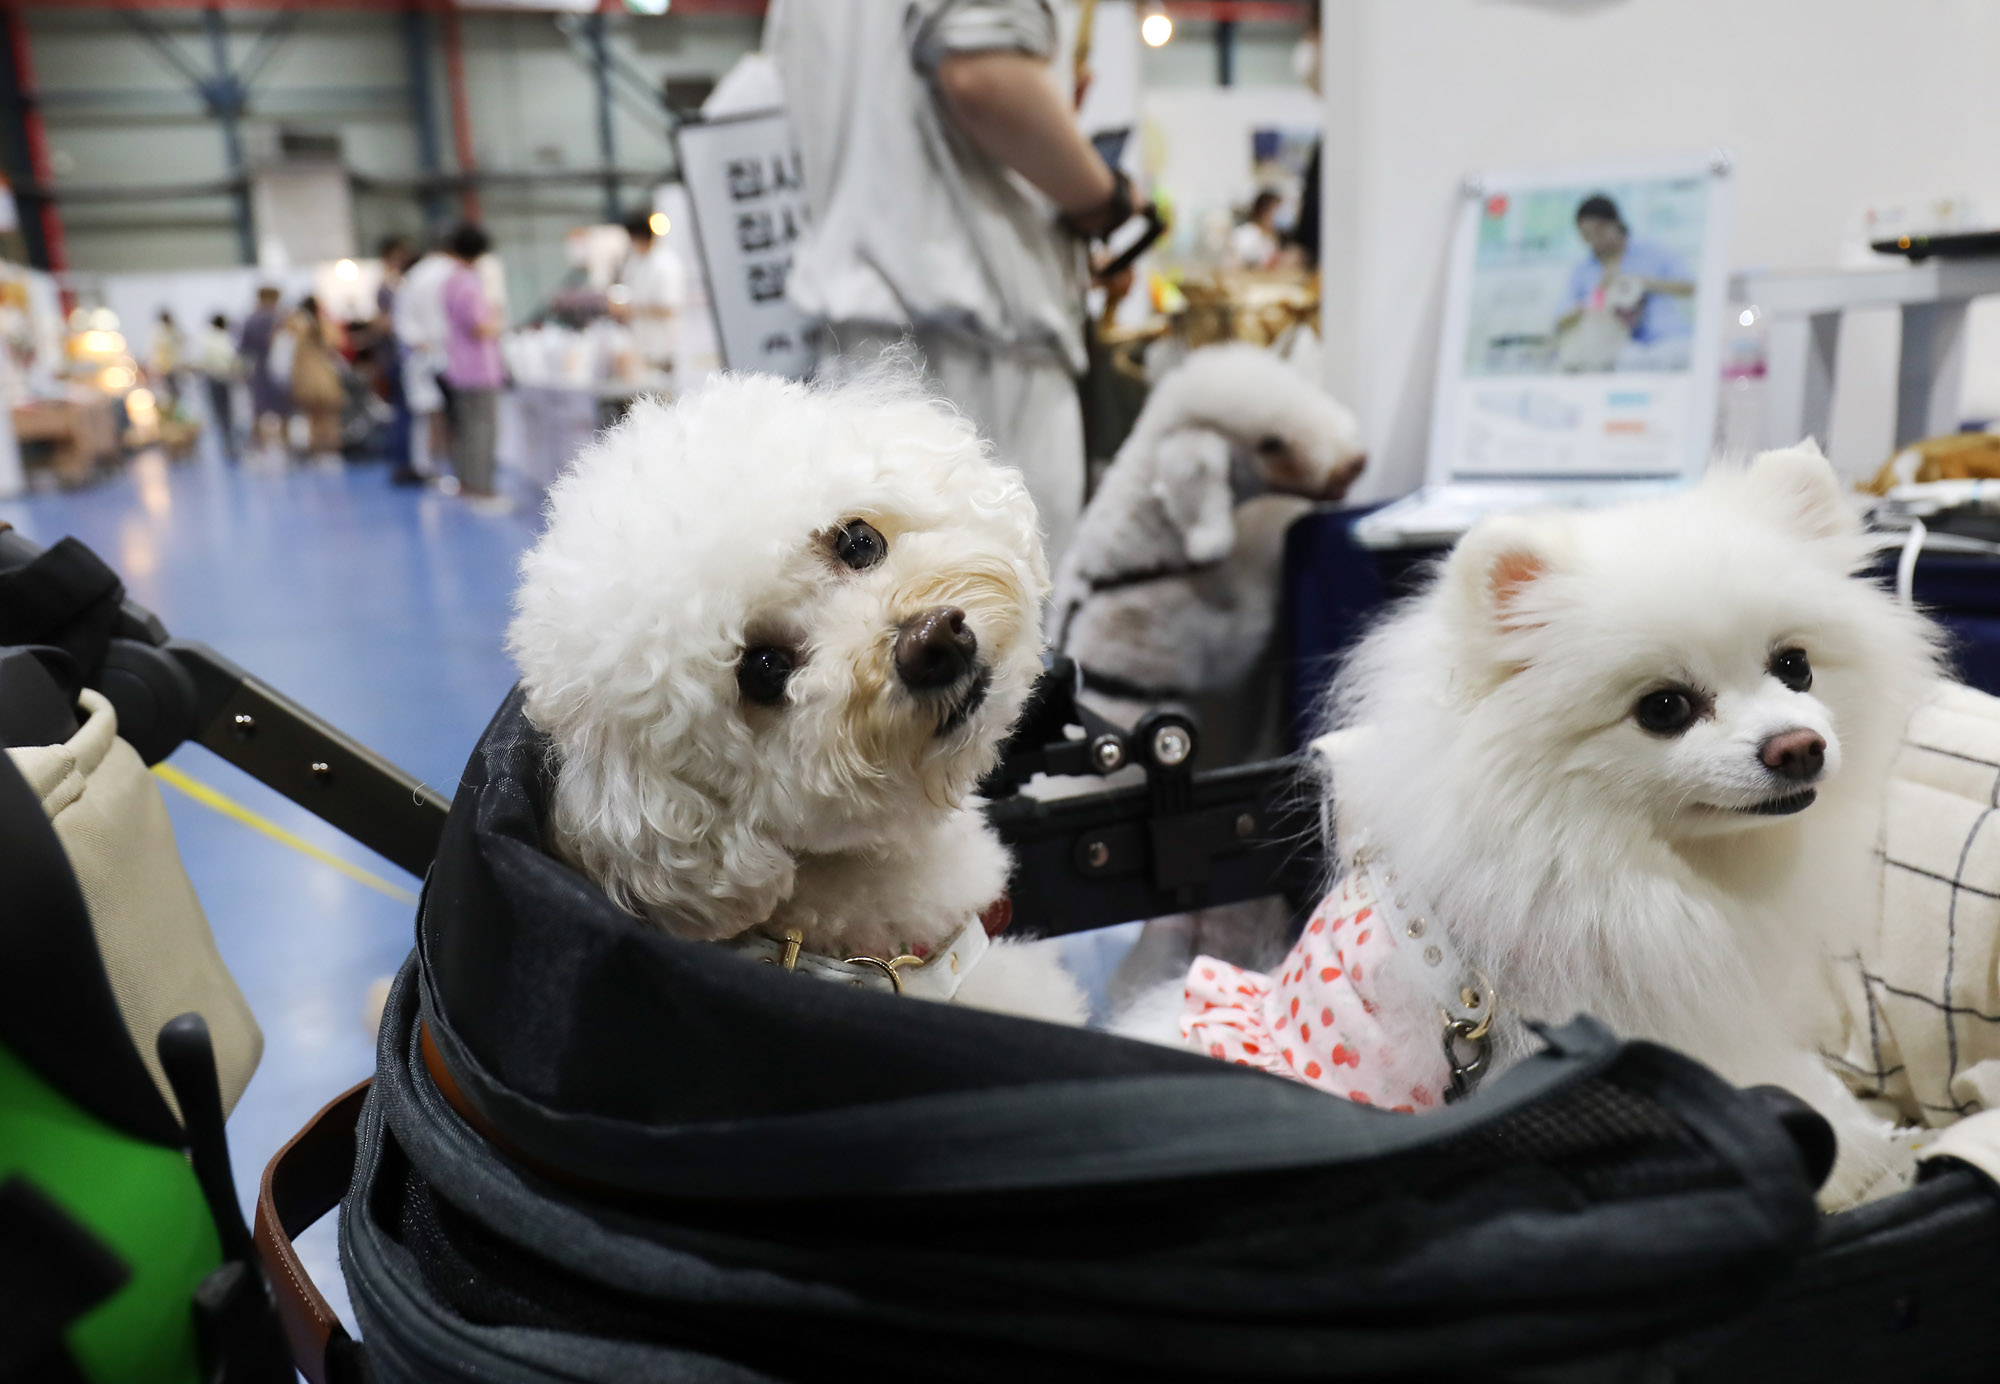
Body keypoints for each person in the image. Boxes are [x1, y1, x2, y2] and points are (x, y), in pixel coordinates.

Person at [770, 0, 1141, 567]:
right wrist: (1103, 197)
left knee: (871, 630)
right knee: (1003, 630)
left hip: (860, 350)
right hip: (977, 368)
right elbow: (982, 73)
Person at [1555, 193, 1696, 358]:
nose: (1594, 241)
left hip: (1665, 341)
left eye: (1599, 232)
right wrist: (1598, 295)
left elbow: (1692, 287)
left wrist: (1644, 283)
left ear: (1615, 223)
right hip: (1614, 349)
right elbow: (1560, 318)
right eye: (1587, 236)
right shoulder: (1582, 270)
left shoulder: (1654, 252)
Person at [441, 222, 507, 510]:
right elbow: (480, 327)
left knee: (467, 429)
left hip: (459, 366)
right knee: (483, 429)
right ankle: (483, 489)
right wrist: (497, 323)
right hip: (479, 369)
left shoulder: (451, 281)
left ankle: (467, 483)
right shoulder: (470, 283)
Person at [395, 241, 457, 483]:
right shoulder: (438, 273)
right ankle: (431, 468)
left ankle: (429, 467)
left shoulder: (415, 279)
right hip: (427, 359)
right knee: (433, 417)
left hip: (426, 357)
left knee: (428, 418)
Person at [370, 236, 420, 483]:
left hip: (399, 357)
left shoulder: (397, 285)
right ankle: (402, 463)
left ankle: (407, 461)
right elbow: (383, 323)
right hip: (396, 358)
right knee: (403, 412)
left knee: (407, 413)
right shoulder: (388, 287)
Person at [614, 211, 687, 379]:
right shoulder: (636, 262)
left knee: (665, 399)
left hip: (663, 353)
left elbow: (669, 308)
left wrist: (631, 309)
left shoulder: (666, 264)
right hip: (642, 350)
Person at [287, 295, 346, 462]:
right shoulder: (318, 326)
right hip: (320, 375)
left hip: (304, 375)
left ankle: (317, 450)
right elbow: (337, 343)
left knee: (313, 415)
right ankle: (326, 449)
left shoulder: (295, 325)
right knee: (327, 415)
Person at [238, 285, 289, 449]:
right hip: (280, 368)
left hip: (259, 369)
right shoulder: (281, 318)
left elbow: (243, 348)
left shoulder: (251, 319)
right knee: (283, 410)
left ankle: (258, 447)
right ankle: (286, 447)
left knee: (258, 410)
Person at [195, 313, 239, 461]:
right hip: (221, 378)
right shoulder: (221, 339)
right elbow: (230, 358)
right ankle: (230, 445)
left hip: (212, 379)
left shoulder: (206, 338)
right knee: (226, 413)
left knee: (220, 414)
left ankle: (227, 445)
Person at [1230, 191, 1284, 270]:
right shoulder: (1247, 233)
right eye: (1276, 211)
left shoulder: (1271, 236)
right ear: (1264, 212)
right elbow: (1243, 263)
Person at [149, 309, 185, 413]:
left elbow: (181, 343)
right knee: (165, 396)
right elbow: (156, 351)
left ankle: (176, 414)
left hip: (173, 368)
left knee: (176, 395)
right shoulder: (158, 331)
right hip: (163, 369)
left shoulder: (173, 330)